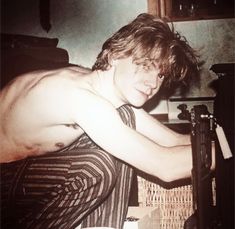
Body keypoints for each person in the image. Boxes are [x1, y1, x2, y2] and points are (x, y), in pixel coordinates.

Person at [0, 13, 212, 229]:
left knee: (124, 119)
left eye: (161, 75)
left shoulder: (100, 88)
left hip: (19, 173)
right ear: (115, 56)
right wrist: (223, 154)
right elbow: (164, 166)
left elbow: (172, 140)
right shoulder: (82, 99)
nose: (153, 83)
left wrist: (222, 140)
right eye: (146, 66)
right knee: (94, 167)